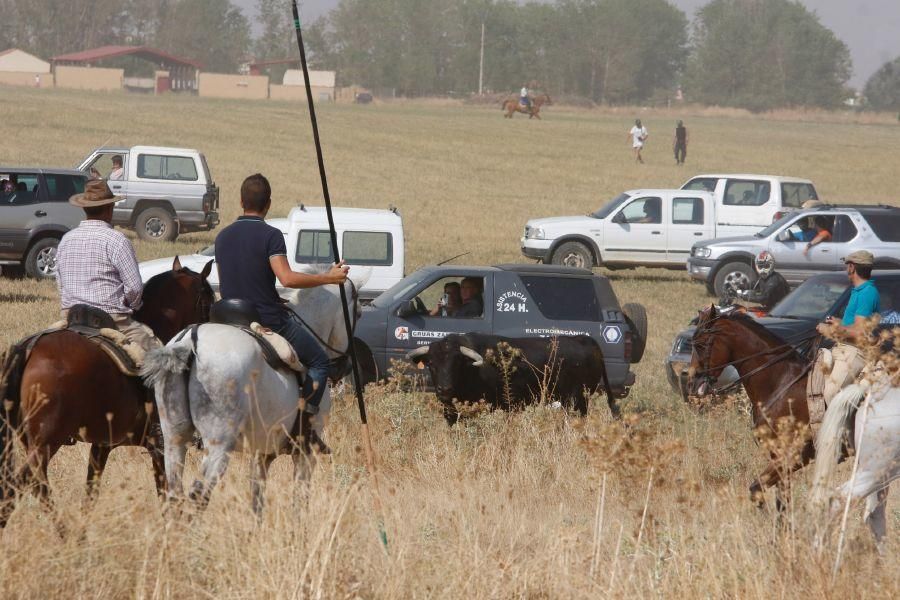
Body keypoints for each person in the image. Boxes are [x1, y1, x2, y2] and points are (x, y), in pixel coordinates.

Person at [215, 173, 348, 447]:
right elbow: (287, 278)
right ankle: (305, 428)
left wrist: (270, 294)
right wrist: (329, 278)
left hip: (226, 319)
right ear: (268, 203)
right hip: (266, 320)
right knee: (320, 362)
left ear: (241, 201)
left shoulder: (223, 236)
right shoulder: (271, 235)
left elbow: (242, 277)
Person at [56, 179, 159, 354]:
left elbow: (60, 283)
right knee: (158, 355)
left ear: (84, 208)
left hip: (71, 317)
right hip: (111, 319)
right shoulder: (117, 240)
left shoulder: (66, 239)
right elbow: (134, 288)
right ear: (110, 209)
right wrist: (132, 305)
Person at [815, 250, 880, 404]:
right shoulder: (858, 291)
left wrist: (830, 330)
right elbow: (856, 324)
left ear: (852, 267)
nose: (846, 270)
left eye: (847, 266)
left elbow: (859, 333)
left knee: (831, 394)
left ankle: (841, 428)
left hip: (855, 352)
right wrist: (839, 323)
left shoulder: (867, 293)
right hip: (845, 347)